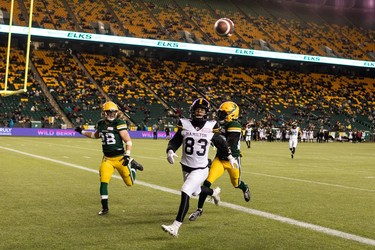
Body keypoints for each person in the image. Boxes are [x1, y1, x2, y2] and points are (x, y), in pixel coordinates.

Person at [161, 98, 237, 237]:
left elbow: (221, 142)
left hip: (201, 168)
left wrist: (230, 157)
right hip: (186, 167)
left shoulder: (211, 125)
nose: (199, 112)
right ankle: (213, 192)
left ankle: (175, 226)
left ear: (206, 112)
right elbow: (176, 140)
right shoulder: (184, 124)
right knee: (195, 192)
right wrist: (170, 150)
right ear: (192, 111)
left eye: (202, 110)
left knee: (186, 191)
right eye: (197, 109)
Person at [75, 101, 143, 215]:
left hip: (120, 158)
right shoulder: (101, 123)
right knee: (103, 181)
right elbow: (94, 135)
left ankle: (133, 167)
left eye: (114, 112)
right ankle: (105, 208)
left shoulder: (119, 122)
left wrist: (127, 155)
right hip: (107, 159)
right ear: (104, 113)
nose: (112, 114)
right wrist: (81, 131)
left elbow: (128, 140)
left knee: (130, 184)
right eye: (109, 112)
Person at [189, 101, 251, 222]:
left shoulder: (235, 125)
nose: (221, 115)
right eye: (221, 113)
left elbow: (228, 143)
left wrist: (216, 140)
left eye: (223, 113)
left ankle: (245, 188)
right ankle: (199, 209)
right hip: (219, 158)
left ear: (231, 114)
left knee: (236, 183)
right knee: (206, 183)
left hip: (232, 160)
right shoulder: (218, 124)